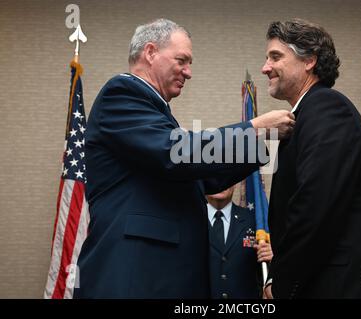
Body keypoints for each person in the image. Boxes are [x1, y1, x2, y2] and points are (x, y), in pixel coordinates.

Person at [73, 18, 294, 299]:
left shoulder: (157, 114)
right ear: (151, 52)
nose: (188, 72)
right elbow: (176, 152)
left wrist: (271, 142)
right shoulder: (122, 94)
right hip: (134, 277)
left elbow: (206, 177)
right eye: (182, 60)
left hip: (162, 278)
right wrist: (255, 127)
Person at [261, 19, 361, 299]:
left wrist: (282, 282)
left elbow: (315, 206)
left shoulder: (326, 108)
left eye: (275, 56)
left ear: (309, 60)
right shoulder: (307, 115)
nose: (265, 67)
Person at [206, 185, 273, 299]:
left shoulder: (256, 222)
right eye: (214, 175)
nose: (220, 181)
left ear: (235, 183)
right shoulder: (191, 221)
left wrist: (273, 260)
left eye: (226, 176)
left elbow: (269, 274)